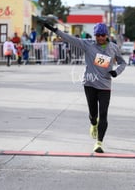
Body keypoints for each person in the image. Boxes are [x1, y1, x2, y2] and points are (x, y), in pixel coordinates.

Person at [39, 20, 126, 153]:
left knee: (103, 114)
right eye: (98, 35)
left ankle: (99, 143)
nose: (100, 38)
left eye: (103, 35)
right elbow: (71, 39)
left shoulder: (113, 47)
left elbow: (122, 63)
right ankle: (93, 123)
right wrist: (55, 30)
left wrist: (116, 71)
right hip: (90, 84)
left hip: (105, 86)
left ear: (107, 35)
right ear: (95, 36)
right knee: (93, 114)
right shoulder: (88, 45)